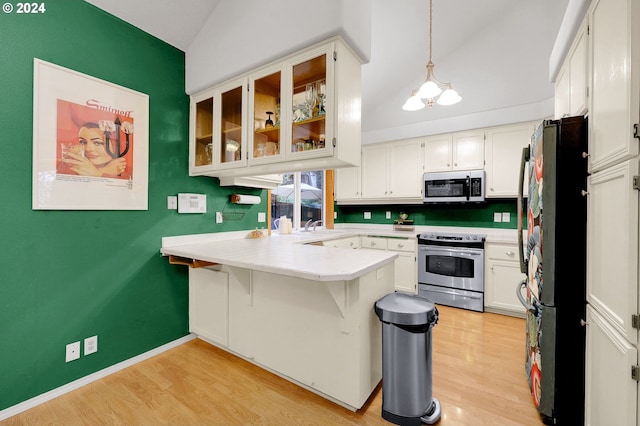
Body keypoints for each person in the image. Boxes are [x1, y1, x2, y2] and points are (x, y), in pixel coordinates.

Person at [62, 122, 127, 177]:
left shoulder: (129, 173)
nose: (87, 149)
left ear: (115, 145)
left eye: (97, 142)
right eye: (83, 142)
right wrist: (102, 172)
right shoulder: (68, 168)